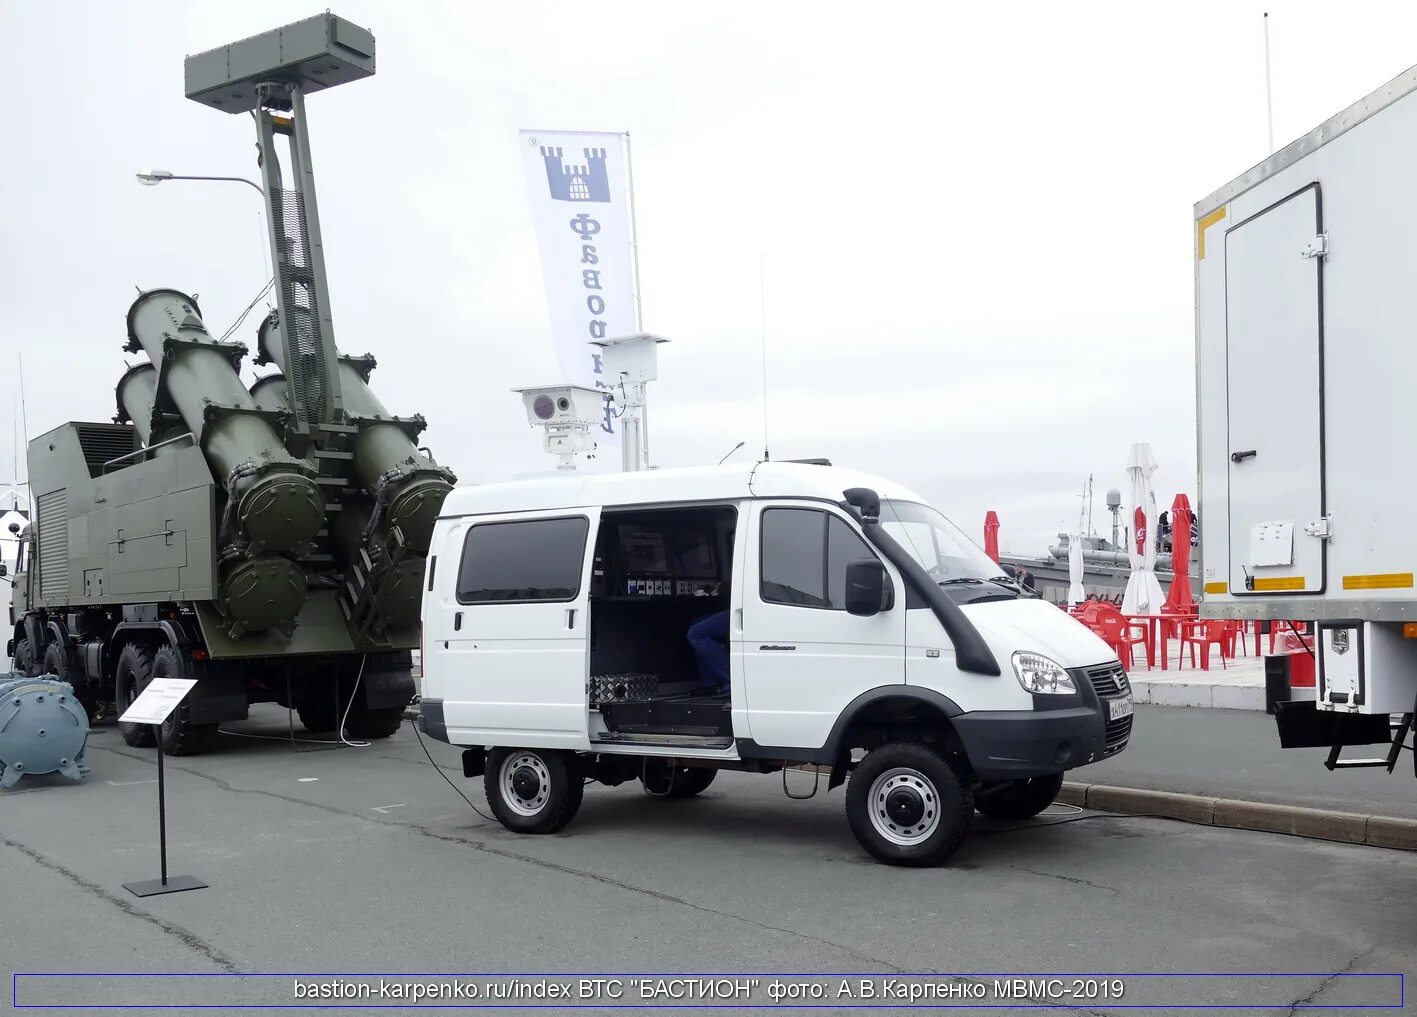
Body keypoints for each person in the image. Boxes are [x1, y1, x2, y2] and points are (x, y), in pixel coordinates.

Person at [687, 608, 730, 692]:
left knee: (695, 634)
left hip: (747, 610)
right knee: (696, 622)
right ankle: (710, 684)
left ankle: (731, 680)